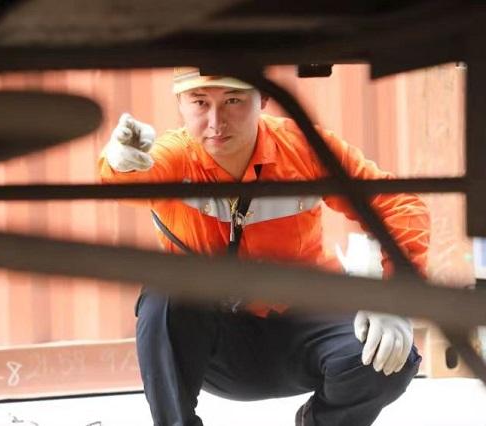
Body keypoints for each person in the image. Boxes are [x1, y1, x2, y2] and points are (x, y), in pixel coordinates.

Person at [98, 67, 430, 426]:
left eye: (233, 101)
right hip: (216, 346)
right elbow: (133, 177)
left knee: (387, 355)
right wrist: (119, 161)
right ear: (180, 103)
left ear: (264, 99)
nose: (215, 122)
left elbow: (397, 204)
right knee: (165, 289)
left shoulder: (303, 149)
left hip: (305, 330)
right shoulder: (174, 157)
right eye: (200, 102)